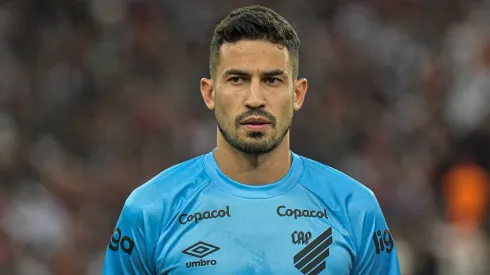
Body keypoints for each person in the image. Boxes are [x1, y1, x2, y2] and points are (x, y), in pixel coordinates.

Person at [102, 5, 401, 275]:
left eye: (271, 80)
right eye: (237, 80)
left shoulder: (355, 208)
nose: (255, 99)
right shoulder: (150, 209)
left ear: (297, 94)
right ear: (209, 93)